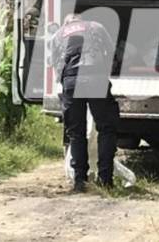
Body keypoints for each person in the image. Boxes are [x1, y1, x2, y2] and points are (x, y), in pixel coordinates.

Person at [49, 13, 119, 192]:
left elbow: (55, 62)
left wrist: (64, 83)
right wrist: (105, 74)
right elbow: (111, 51)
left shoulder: (58, 34)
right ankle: (105, 180)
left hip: (72, 81)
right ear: (81, 19)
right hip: (96, 78)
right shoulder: (96, 25)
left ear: (67, 23)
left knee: (76, 133)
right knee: (106, 129)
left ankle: (80, 181)